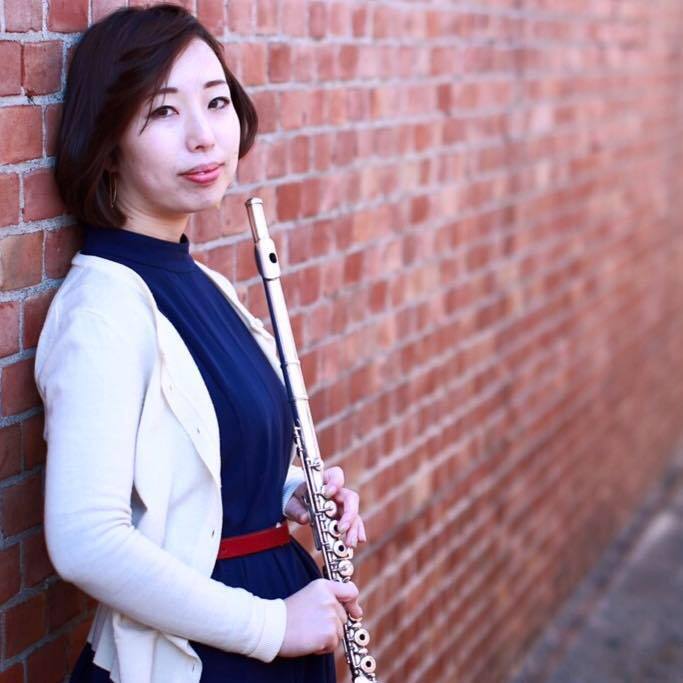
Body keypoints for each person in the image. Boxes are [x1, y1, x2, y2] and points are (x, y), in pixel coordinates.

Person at [34, 4, 367, 682]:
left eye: (216, 102)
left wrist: (285, 492)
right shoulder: (101, 308)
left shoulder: (206, 284)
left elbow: (194, 464)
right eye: (162, 111)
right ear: (107, 140)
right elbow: (84, 540)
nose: (204, 136)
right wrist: (271, 625)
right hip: (198, 659)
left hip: (275, 637)